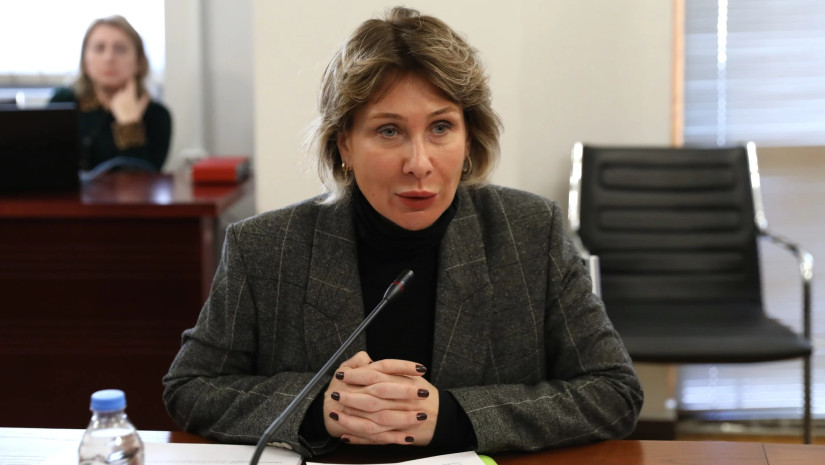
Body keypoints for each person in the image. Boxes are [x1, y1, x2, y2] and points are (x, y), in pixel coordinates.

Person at [163, 6, 643, 458]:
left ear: (469, 138)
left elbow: (614, 391)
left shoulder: (531, 232)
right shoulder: (264, 247)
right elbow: (191, 388)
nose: (419, 163)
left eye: (441, 127)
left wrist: (456, 416)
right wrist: (319, 408)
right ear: (344, 145)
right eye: (389, 131)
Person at [51, 15, 171, 172]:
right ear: (85, 61)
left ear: (138, 62)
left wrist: (129, 125)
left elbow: (145, 179)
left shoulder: (157, 115)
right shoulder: (64, 101)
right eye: (99, 48)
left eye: (120, 49)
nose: (109, 58)